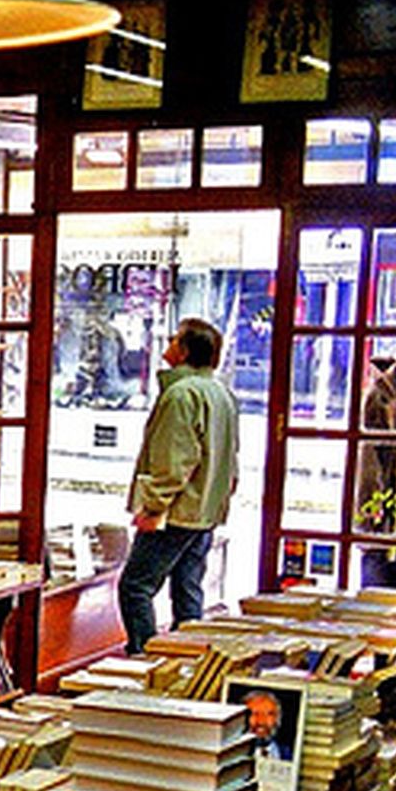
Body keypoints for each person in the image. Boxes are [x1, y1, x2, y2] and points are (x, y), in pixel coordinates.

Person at [117, 317, 240, 654]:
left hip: (176, 512)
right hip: (206, 511)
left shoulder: (181, 394)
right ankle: (186, 661)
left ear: (184, 351)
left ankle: (146, 657)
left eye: (174, 340)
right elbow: (230, 459)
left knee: (135, 586)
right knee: (188, 591)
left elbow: (175, 462)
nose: (168, 344)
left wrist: (153, 507)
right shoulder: (221, 393)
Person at [242, 689, 287, 761]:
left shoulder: (289, 754)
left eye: (269, 714)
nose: (261, 721)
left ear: (278, 719)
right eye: (255, 714)